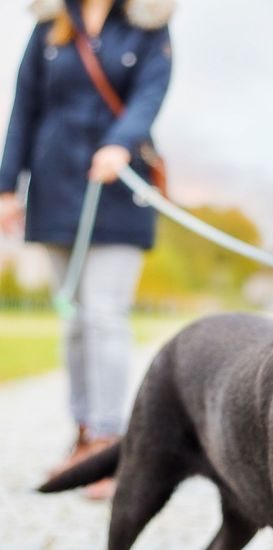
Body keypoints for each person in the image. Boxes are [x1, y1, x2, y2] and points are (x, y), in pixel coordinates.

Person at [0, 0, 174, 499]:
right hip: (55, 190)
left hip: (119, 189)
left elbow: (149, 95)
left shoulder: (149, 29)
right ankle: (81, 433)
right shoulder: (49, 29)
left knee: (104, 314)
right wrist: (7, 188)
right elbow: (24, 108)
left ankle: (108, 440)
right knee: (75, 318)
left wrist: (120, 142)